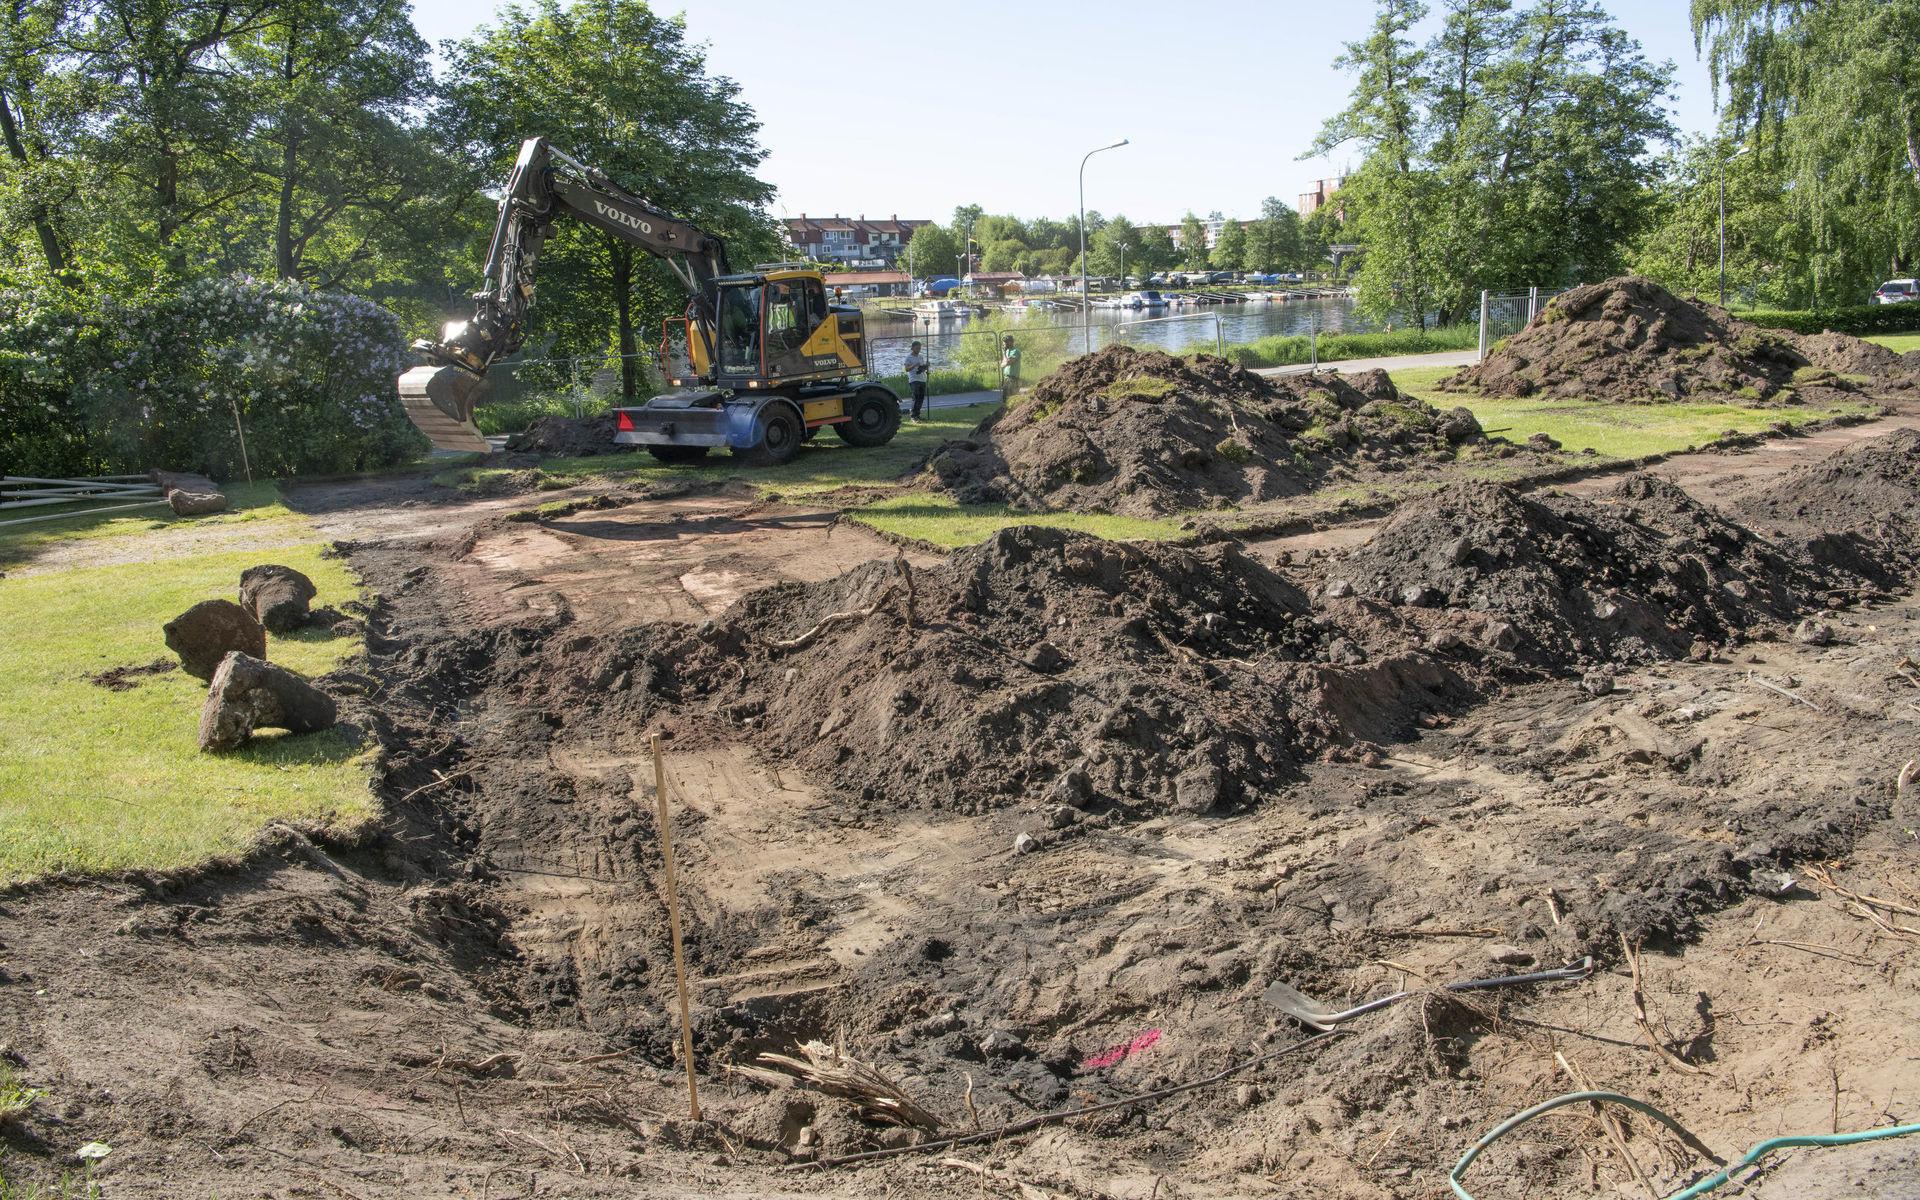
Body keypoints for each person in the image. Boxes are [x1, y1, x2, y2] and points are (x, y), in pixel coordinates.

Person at [904, 340, 930, 421]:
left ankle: (917, 415)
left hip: (922, 379)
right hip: (914, 380)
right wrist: (914, 365)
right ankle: (913, 416)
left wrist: (926, 366)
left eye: (920, 348)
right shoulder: (909, 357)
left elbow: (921, 369)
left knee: (921, 398)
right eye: (917, 348)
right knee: (916, 397)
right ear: (912, 348)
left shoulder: (921, 357)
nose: (918, 350)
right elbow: (906, 369)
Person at [999, 335, 1021, 402]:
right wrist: (1006, 360)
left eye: (1006, 342)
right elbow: (1002, 365)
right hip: (1006, 378)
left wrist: (1004, 355)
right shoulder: (1007, 351)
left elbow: (1009, 362)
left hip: (1013, 379)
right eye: (1004, 342)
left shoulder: (1015, 351)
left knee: (1012, 399)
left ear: (1011, 342)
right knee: (1005, 399)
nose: (1004, 344)